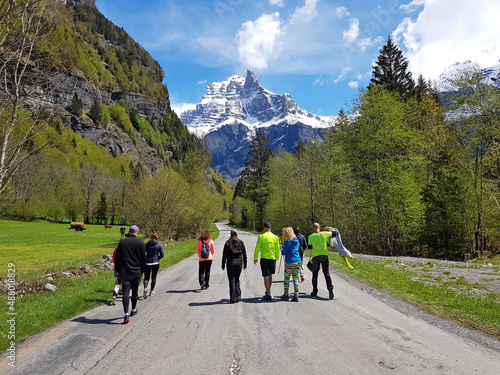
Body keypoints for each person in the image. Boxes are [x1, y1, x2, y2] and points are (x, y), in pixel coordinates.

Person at [114, 225, 146, 323]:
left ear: (129, 231)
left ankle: (125, 314)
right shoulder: (141, 243)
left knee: (126, 292)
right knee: (135, 291)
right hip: (136, 270)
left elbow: (117, 258)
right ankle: (133, 310)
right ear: (137, 232)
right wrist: (142, 271)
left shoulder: (122, 242)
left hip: (125, 271)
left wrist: (119, 270)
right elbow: (143, 259)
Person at [253, 222, 280, 301]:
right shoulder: (275, 237)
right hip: (272, 258)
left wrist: (255, 257)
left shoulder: (261, 237)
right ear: (270, 228)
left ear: (264, 228)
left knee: (266, 277)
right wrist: (276, 258)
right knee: (270, 276)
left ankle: (268, 294)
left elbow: (257, 248)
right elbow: (277, 249)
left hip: (264, 258)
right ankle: (268, 291)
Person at [308, 223, 334, 299]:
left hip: (316, 257)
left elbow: (309, 247)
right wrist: (328, 228)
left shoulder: (310, 236)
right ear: (319, 227)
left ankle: (315, 291)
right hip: (325, 256)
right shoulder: (324, 234)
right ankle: (330, 288)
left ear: (313, 228)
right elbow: (334, 233)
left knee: (315, 274)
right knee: (326, 273)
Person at [221, 229, 247, 303]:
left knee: (232, 280)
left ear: (230, 234)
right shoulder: (240, 242)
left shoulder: (228, 243)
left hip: (231, 263)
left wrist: (223, 264)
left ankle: (232, 298)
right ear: (237, 234)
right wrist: (245, 264)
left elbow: (224, 255)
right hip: (239, 263)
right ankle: (238, 295)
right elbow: (245, 254)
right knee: (237, 279)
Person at [280, 227, 302, 302]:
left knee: (286, 278)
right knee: (295, 278)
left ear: (288, 233)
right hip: (298, 261)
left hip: (290, 261)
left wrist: (282, 250)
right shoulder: (297, 241)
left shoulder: (287, 242)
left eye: (285, 233)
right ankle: (296, 295)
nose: (284, 234)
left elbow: (284, 252)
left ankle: (286, 294)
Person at [143, 232, 164, 299]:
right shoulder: (158, 245)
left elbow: (143, 254)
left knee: (146, 277)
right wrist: (158, 258)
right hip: (155, 263)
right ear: (156, 237)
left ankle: (145, 287)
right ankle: (152, 290)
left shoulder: (146, 245)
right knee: (153, 277)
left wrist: (146, 259)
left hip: (148, 263)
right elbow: (162, 255)